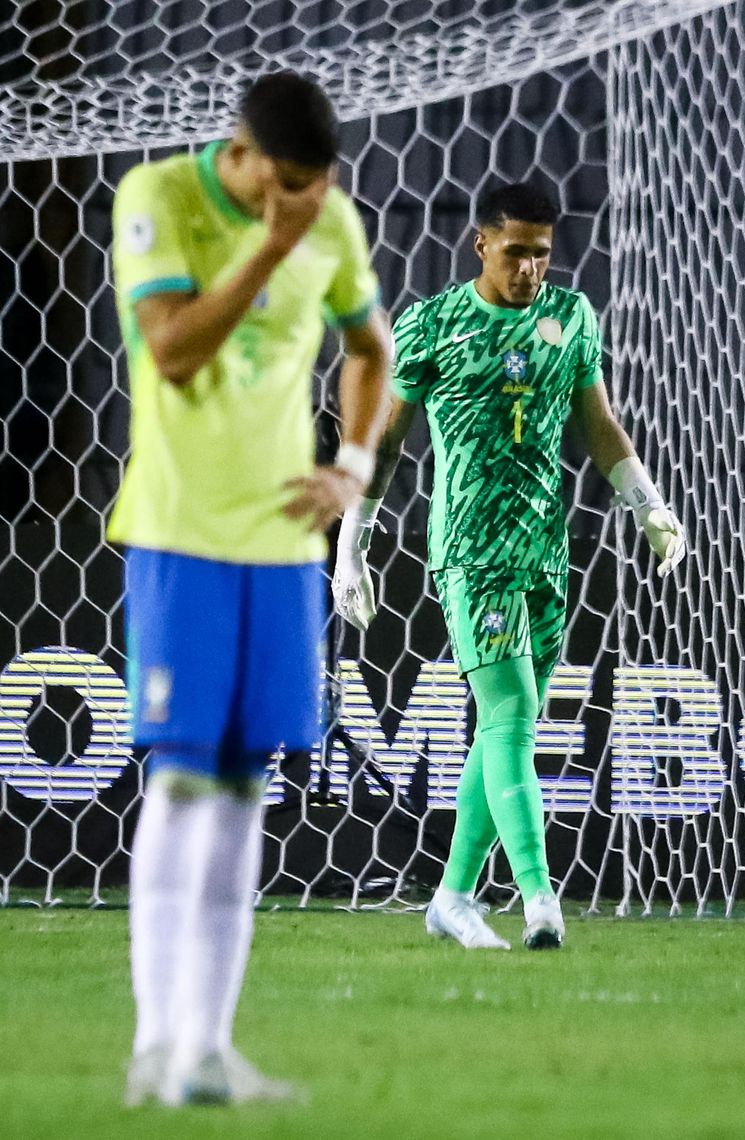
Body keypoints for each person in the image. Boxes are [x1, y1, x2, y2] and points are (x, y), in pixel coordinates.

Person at [110, 71, 390, 1105]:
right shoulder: (158, 199)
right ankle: (156, 1043)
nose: (310, 201)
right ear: (244, 155)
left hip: (282, 549)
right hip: (181, 534)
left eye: (321, 186)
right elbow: (173, 352)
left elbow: (373, 350)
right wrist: (270, 248)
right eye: (291, 183)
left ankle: (209, 1048)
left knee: (244, 790)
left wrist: (352, 466)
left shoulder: (330, 220)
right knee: (182, 782)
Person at [332, 181, 685, 952]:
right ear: (481, 245)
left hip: (545, 554)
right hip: (471, 553)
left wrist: (648, 505)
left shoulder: (571, 318)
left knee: (503, 732)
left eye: (544, 255)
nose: (531, 270)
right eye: (517, 251)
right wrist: (350, 542)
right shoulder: (432, 327)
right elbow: (385, 444)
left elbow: (600, 426)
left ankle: (453, 898)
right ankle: (538, 899)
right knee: (513, 717)